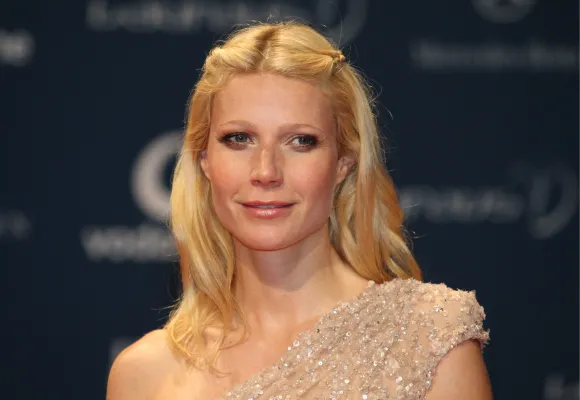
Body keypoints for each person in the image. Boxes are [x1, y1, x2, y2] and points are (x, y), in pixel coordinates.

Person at [106, 21, 492, 400]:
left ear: (343, 162)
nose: (266, 172)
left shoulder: (430, 341)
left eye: (300, 141)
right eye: (239, 139)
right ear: (203, 159)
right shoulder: (144, 375)